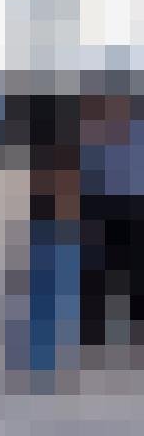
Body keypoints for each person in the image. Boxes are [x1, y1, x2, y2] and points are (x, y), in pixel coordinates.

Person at [15, 92, 84, 389]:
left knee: (51, 293)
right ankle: (46, 364)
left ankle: (45, 363)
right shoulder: (57, 156)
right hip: (51, 227)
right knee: (52, 293)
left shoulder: (47, 154)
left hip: (51, 227)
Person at [79, 88, 144, 357]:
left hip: (128, 202)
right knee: (98, 269)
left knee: (124, 267)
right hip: (99, 201)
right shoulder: (90, 125)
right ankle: (94, 333)